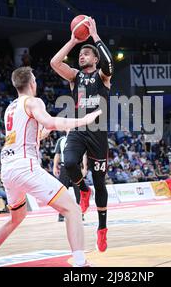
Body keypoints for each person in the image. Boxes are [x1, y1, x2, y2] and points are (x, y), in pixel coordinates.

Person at [0, 67, 101, 267]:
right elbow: (49, 122)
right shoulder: (34, 101)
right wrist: (82, 121)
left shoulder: (11, 108)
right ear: (32, 83)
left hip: (8, 167)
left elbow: (32, 133)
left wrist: (44, 132)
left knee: (16, 217)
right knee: (73, 210)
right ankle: (80, 262)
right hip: (25, 166)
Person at [50, 17, 114, 252]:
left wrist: (94, 36)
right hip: (78, 128)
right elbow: (54, 62)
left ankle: (102, 229)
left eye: (87, 54)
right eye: (81, 54)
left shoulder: (102, 76)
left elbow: (108, 64)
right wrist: (73, 40)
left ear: (95, 58)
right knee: (68, 163)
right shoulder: (74, 76)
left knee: (101, 182)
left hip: (97, 133)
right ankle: (83, 190)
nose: (82, 56)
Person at [53, 130, 86, 222]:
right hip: (64, 167)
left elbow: (83, 155)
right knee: (62, 192)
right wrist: (55, 166)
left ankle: (80, 212)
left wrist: (84, 168)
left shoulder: (79, 140)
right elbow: (57, 154)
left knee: (78, 191)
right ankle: (61, 213)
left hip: (76, 167)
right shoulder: (61, 140)